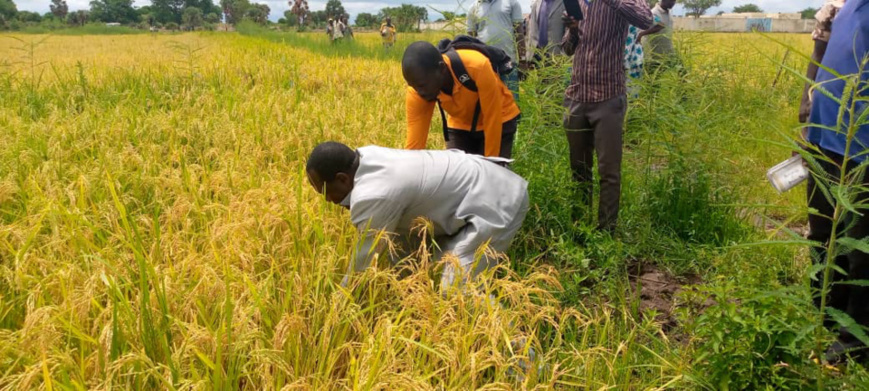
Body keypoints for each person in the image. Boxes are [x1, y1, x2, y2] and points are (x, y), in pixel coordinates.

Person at [305, 142, 530, 291]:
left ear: (343, 179)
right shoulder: (366, 155)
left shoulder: (372, 194)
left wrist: (335, 309)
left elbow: (362, 265)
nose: (328, 201)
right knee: (403, 252)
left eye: (325, 192)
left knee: (457, 290)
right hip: (476, 187)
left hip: (495, 198)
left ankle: (529, 362)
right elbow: (398, 248)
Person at [802, 0, 868, 364]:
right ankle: (825, 314)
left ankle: (855, 338)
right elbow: (823, 53)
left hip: (863, 146)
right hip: (825, 135)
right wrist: (808, 103)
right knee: (823, 232)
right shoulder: (842, 4)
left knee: (861, 247)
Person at [561, 0, 652, 233]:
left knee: (609, 172)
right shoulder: (580, 3)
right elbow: (568, 49)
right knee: (579, 169)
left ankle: (606, 234)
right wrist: (572, 28)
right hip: (577, 95)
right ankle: (580, 228)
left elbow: (646, 19)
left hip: (608, 97)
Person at [402, 41, 521, 158]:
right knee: (456, 173)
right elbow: (414, 148)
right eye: (413, 86)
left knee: (493, 173)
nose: (419, 92)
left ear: (442, 68)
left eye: (422, 86)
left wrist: (492, 164)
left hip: (499, 119)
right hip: (461, 125)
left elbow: (492, 117)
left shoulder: (477, 66)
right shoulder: (417, 90)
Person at [799, 0, 846, 124]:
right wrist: (805, 99)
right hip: (831, 87)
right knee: (813, 137)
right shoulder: (832, 10)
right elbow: (818, 56)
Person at [467, 0, 523, 99]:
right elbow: (471, 39)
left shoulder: (511, 2)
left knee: (512, 100)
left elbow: (519, 33)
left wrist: (522, 60)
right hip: (485, 65)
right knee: (490, 102)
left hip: (508, 62)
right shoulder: (473, 8)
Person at [637, 0, 676, 72]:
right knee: (653, 77)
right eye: (671, 1)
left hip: (668, 51)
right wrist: (641, 34)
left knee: (679, 73)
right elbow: (659, 26)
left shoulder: (669, 12)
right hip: (655, 54)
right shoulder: (654, 13)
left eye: (674, 1)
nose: (673, 3)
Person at [524, 0, 567, 65]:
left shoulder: (566, 3)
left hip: (556, 58)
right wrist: (528, 55)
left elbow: (571, 32)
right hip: (536, 56)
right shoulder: (536, 4)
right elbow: (532, 32)